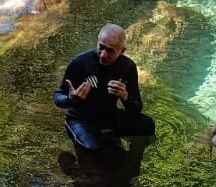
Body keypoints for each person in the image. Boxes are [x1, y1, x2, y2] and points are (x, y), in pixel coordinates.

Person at [54, 23, 155, 152]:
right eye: (101, 47)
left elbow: (137, 109)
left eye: (110, 50)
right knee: (94, 148)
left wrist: (125, 97)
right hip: (81, 119)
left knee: (147, 126)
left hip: (109, 115)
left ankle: (128, 158)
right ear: (97, 42)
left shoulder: (127, 67)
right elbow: (58, 97)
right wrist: (70, 99)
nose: (103, 54)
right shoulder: (80, 63)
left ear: (122, 51)